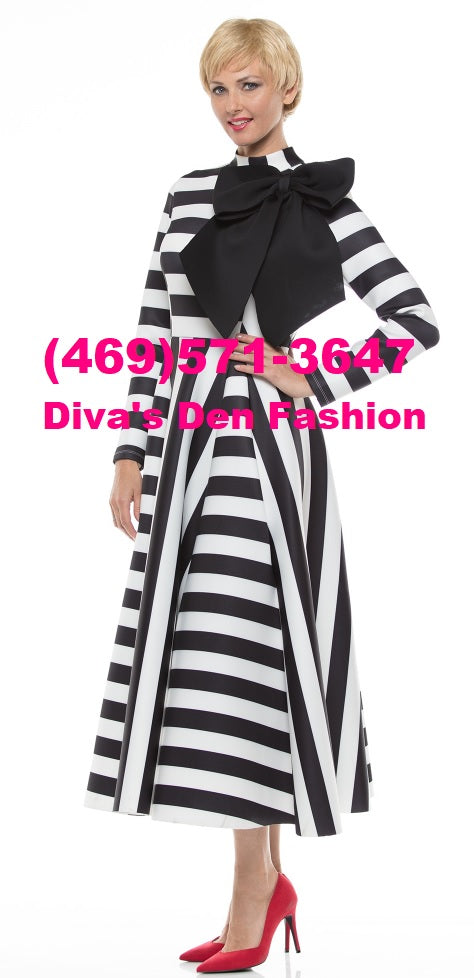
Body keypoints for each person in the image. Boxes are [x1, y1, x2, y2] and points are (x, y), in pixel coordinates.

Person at [83, 16, 440, 972]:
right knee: (223, 661)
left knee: (250, 654)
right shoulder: (186, 194)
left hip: (271, 453)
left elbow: (415, 319)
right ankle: (263, 883)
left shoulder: (327, 200)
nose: (233, 106)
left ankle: (254, 893)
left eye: (249, 85)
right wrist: (130, 450)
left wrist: (311, 377)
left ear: (287, 87)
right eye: (218, 88)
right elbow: (155, 330)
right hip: (187, 444)